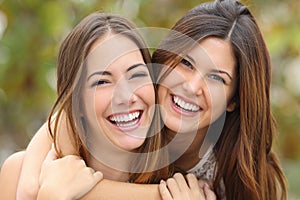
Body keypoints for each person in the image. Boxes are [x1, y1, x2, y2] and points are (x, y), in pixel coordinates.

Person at [1, 0, 288, 199]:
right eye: (186, 63)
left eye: (216, 78)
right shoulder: (143, 101)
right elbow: (65, 117)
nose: (190, 86)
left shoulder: (229, 175)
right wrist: (33, 185)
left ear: (233, 100)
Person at [0, 12, 175, 199]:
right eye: (102, 82)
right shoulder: (19, 174)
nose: (126, 96)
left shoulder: (183, 186)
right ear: (76, 103)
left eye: (137, 75)